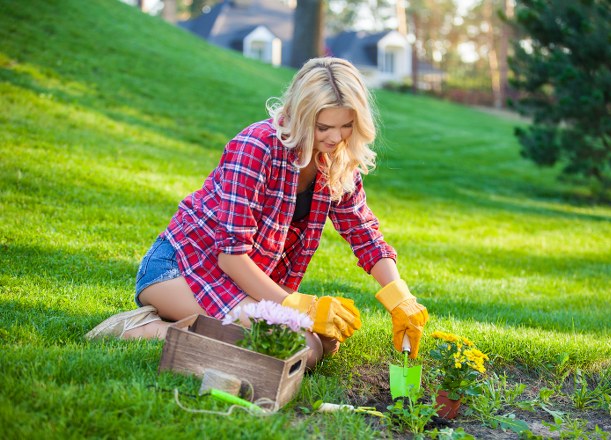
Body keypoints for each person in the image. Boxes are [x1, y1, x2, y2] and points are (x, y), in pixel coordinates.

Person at [86, 57, 429, 367]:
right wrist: (302, 307)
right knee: (301, 351)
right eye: (323, 127)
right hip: (183, 269)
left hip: (239, 282)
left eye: (346, 126)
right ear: (300, 114)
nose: (335, 137)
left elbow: (363, 233)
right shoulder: (256, 147)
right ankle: (142, 329)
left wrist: (401, 299)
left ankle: (189, 322)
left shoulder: (337, 159)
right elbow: (231, 257)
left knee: (325, 342)